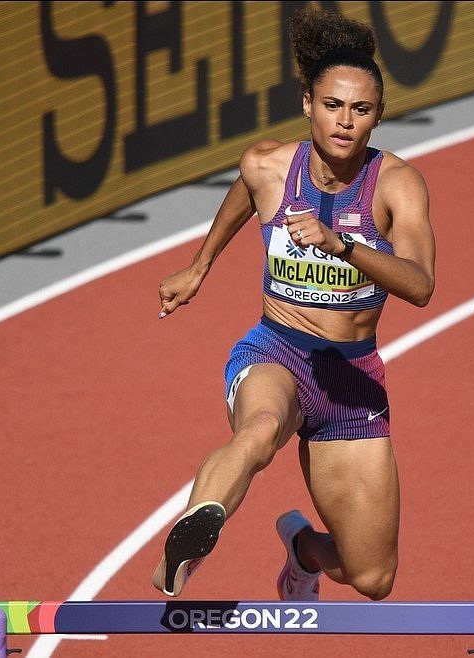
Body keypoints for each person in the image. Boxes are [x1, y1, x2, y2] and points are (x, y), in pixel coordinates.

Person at [150, 5, 436, 601]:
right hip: (278, 350)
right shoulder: (269, 167)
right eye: (333, 105)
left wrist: (344, 246)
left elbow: (420, 284)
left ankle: (303, 548)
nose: (345, 122)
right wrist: (199, 268)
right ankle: (185, 546)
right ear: (308, 102)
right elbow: (244, 194)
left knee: (373, 578)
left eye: (361, 110)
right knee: (259, 430)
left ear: (379, 116)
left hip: (353, 379)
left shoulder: (396, 184)